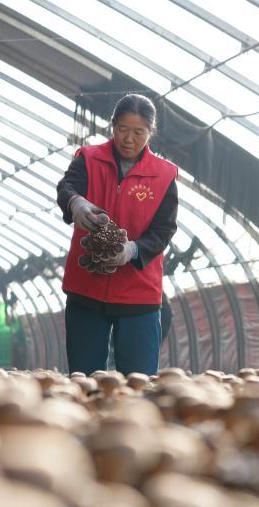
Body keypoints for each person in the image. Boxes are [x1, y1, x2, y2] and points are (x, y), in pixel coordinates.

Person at [56, 94, 178, 376]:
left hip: (138, 293)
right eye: (122, 129)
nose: (129, 139)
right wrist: (76, 202)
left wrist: (131, 250)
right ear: (112, 126)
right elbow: (66, 187)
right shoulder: (89, 159)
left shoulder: (163, 175)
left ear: (150, 132)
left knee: (139, 381)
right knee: (84, 379)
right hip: (86, 287)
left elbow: (164, 230)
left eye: (138, 132)